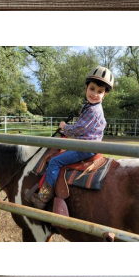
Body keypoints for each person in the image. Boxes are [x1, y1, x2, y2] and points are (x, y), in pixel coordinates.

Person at [30, 66, 114, 209]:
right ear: (86, 88)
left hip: (85, 147)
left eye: (99, 92)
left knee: (55, 162)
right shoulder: (89, 106)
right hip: (85, 143)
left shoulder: (93, 110)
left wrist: (65, 127)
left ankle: (44, 196)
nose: (94, 94)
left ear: (104, 95)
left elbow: (80, 128)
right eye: (92, 89)